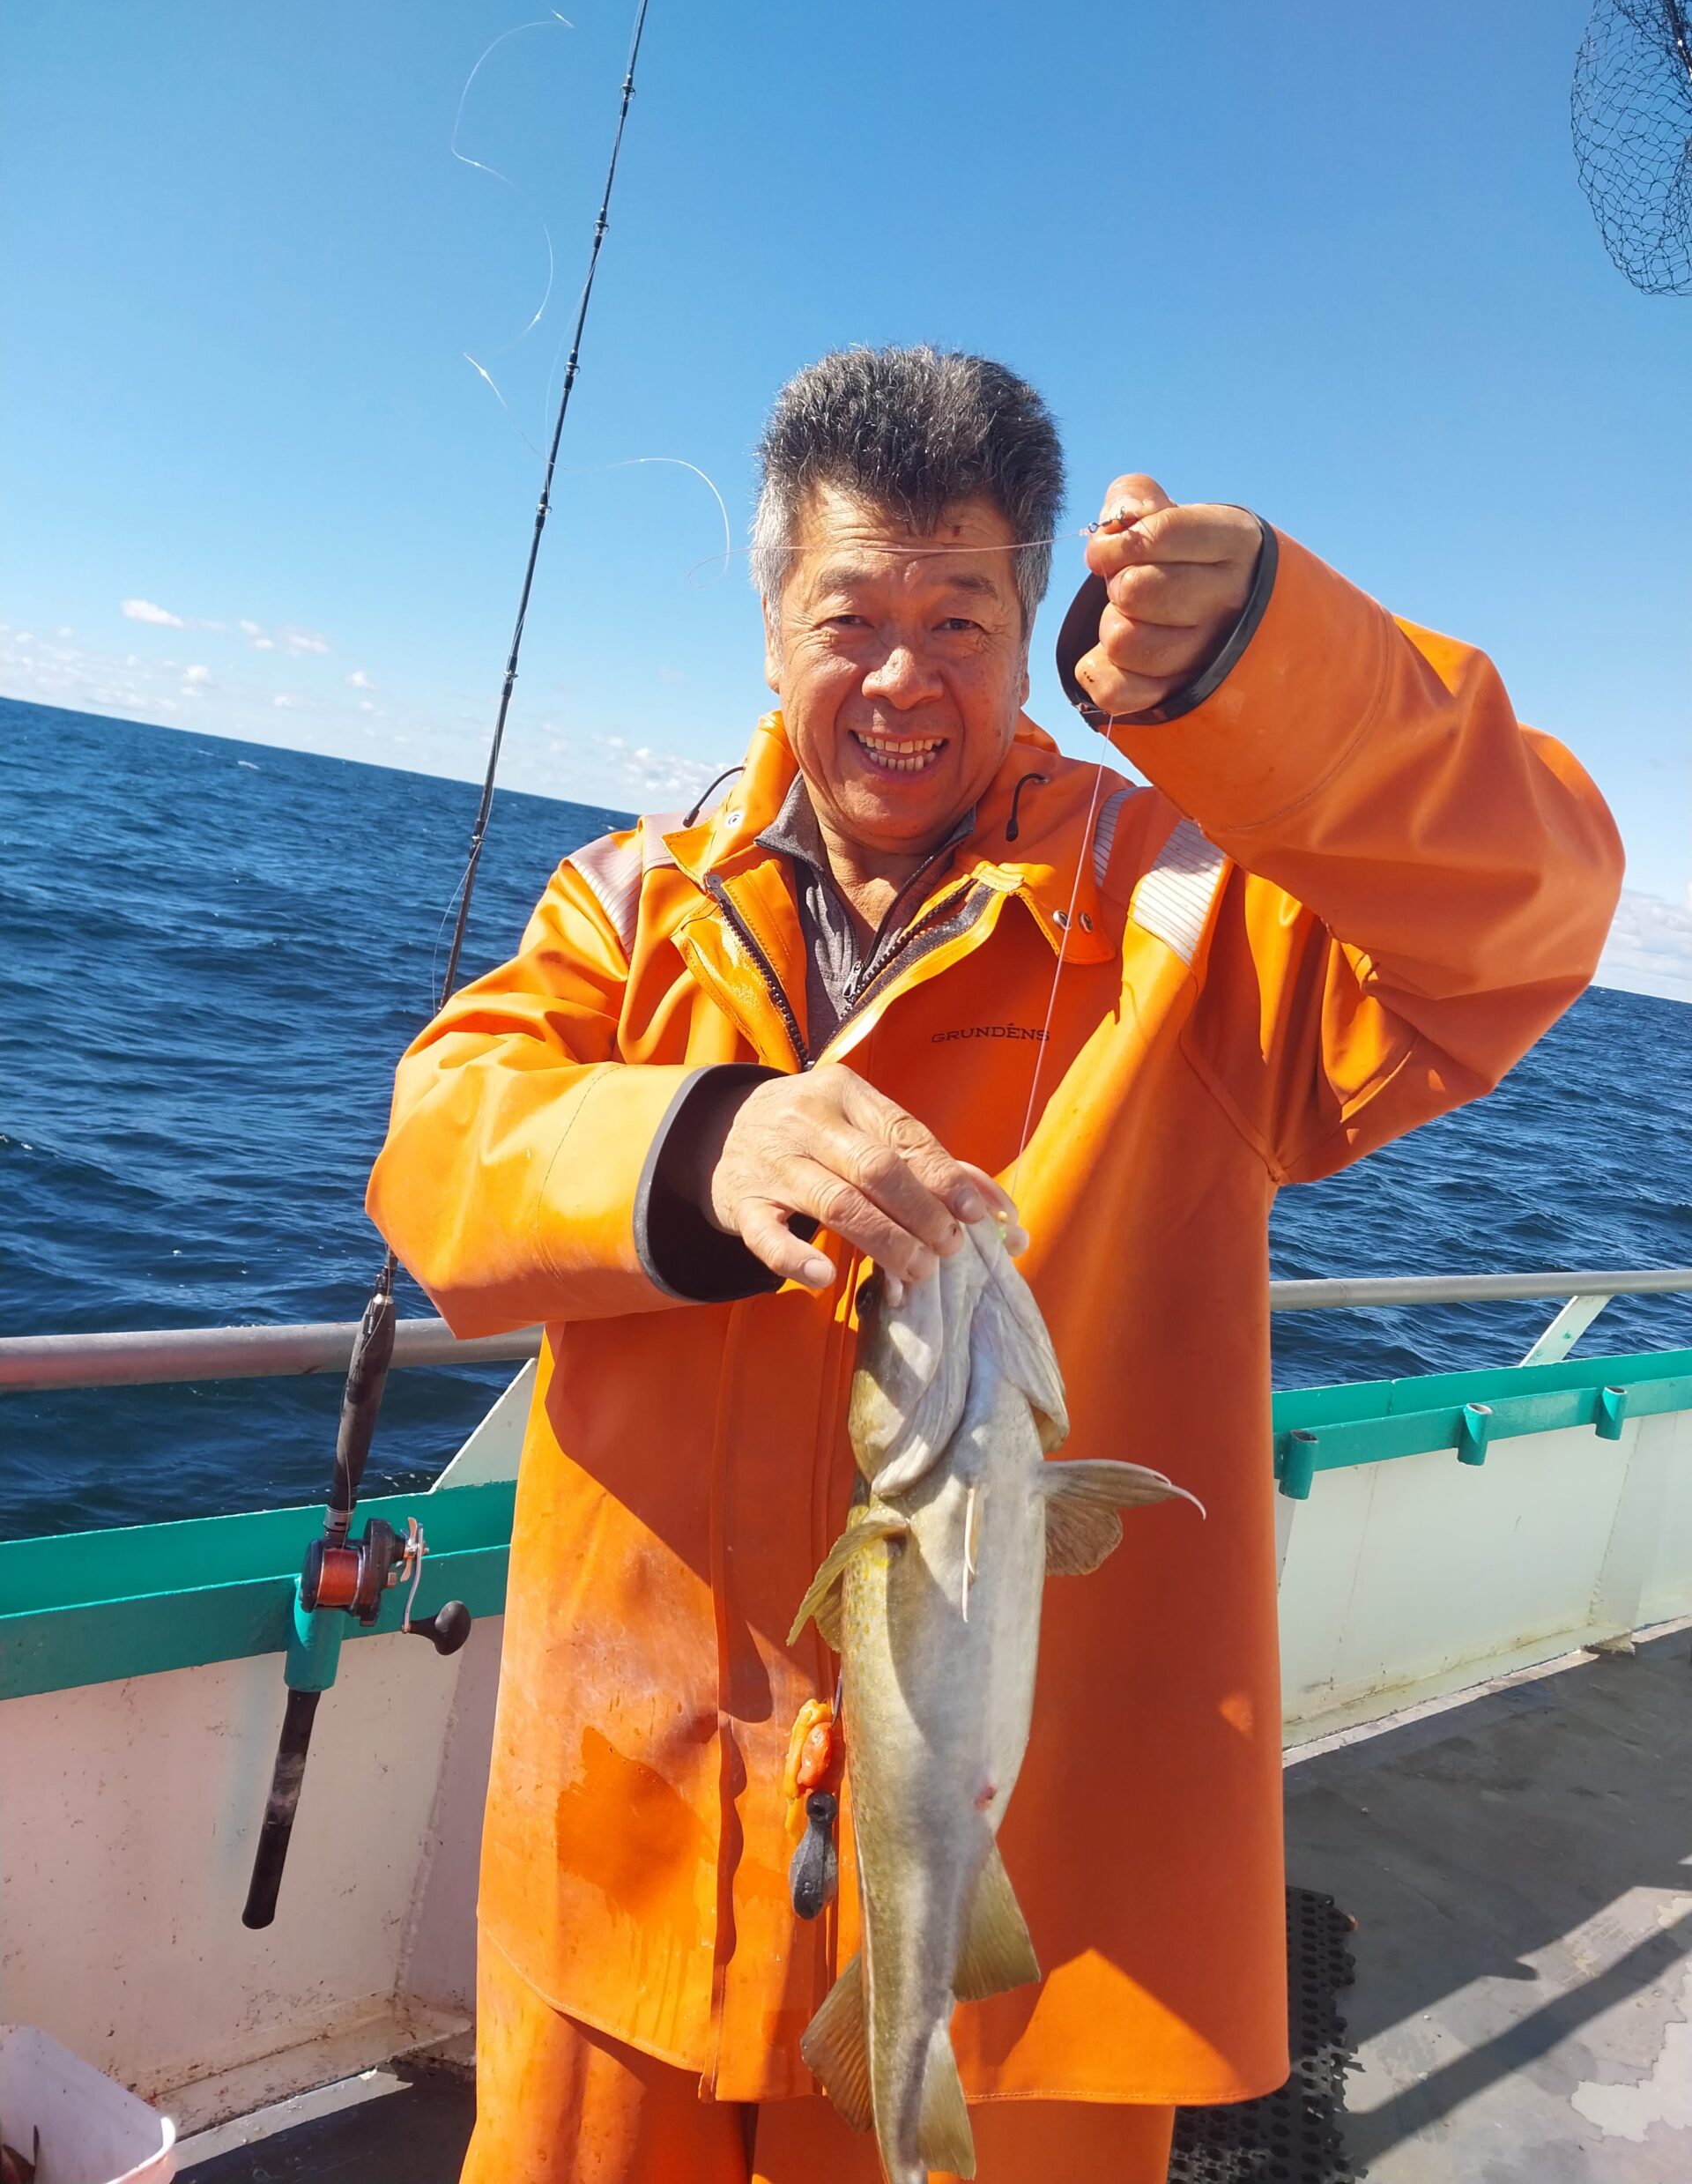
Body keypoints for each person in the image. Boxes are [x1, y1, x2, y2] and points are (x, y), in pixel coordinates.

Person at [367, 345, 1622, 2183]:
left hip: (1028, 1963)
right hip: (624, 1881)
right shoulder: (625, 906)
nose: (900, 675)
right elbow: (436, 1144)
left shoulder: (1186, 914)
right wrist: (698, 1140)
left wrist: (1279, 670)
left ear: (1038, 616)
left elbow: (1528, 920)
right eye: (849, 611)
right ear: (771, 620)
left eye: (961, 615)